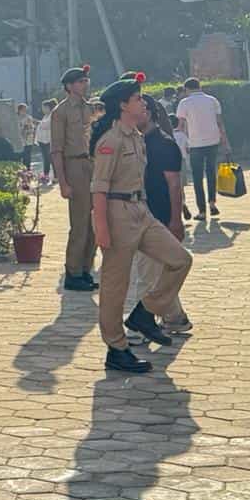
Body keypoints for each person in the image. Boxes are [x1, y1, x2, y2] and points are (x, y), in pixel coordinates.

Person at [90, 73, 192, 374]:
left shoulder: (137, 137)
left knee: (180, 260)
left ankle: (145, 314)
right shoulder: (110, 141)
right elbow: (99, 188)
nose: (143, 103)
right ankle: (117, 348)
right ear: (123, 105)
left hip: (141, 209)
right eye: (137, 99)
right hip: (117, 213)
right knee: (115, 286)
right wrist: (102, 228)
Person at [124, 96, 191, 337]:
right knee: (158, 272)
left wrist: (176, 220)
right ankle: (175, 317)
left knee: (146, 275)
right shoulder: (135, 141)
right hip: (138, 215)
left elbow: (174, 185)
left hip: (158, 217)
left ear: (149, 113)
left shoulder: (163, 144)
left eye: (137, 110)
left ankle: (137, 331)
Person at [51, 65, 98, 292]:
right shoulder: (61, 112)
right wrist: (63, 182)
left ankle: (86, 268)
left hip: (92, 164)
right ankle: (73, 272)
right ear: (69, 86)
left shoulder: (91, 108)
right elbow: (56, 150)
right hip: (74, 165)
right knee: (79, 223)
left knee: (94, 222)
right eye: (80, 81)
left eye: (85, 80)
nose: (84, 84)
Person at [176, 77, 229, 220]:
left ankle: (202, 211)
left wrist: (181, 142)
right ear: (199, 86)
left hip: (195, 144)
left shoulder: (184, 103)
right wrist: (225, 142)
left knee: (197, 177)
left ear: (187, 89)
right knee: (211, 172)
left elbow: (181, 126)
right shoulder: (213, 100)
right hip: (213, 141)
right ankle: (212, 203)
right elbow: (220, 123)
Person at [36, 99, 56, 184]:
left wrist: (35, 121)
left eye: (44, 107)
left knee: (51, 159)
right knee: (46, 159)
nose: (42, 109)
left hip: (48, 140)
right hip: (42, 140)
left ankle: (55, 176)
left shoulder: (52, 115)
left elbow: (46, 125)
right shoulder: (45, 116)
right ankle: (46, 175)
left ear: (48, 107)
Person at [17, 104, 36, 170]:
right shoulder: (15, 118)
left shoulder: (28, 118)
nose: (24, 111)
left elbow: (32, 128)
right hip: (19, 140)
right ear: (19, 110)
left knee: (27, 155)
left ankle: (28, 169)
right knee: (20, 155)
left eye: (25, 110)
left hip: (28, 139)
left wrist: (27, 130)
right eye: (23, 110)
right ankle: (20, 169)